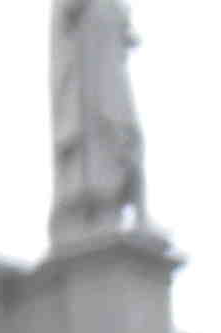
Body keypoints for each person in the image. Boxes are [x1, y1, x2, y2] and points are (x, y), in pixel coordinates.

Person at [51, 0, 146, 242]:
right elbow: (68, 12)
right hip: (88, 84)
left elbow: (125, 35)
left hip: (108, 72)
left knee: (125, 137)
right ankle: (94, 212)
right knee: (101, 141)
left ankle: (134, 213)